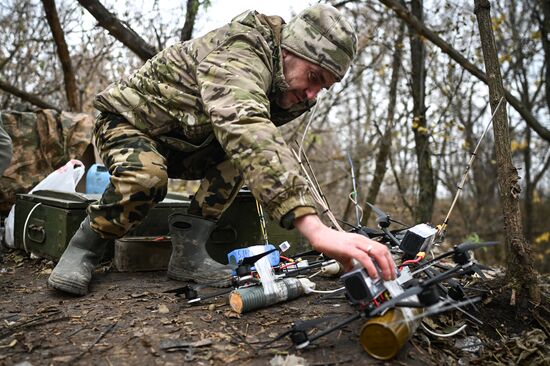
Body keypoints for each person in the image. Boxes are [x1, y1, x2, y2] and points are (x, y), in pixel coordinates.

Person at [48, 4, 396, 295]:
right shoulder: (241, 48)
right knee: (146, 178)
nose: (312, 95)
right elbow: (245, 126)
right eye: (315, 77)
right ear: (291, 52)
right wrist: (315, 230)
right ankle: (85, 246)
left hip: (190, 139)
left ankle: (188, 253)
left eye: (325, 88)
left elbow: (256, 144)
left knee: (239, 159)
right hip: (130, 124)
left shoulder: (285, 80)